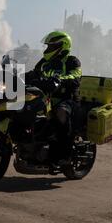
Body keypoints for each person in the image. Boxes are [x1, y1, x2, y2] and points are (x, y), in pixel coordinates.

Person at [26, 31, 82, 165]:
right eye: (48, 46)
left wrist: (60, 79)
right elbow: (33, 74)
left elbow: (75, 76)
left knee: (61, 113)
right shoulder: (44, 62)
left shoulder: (72, 61)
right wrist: (14, 76)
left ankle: (64, 155)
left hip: (67, 100)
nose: (48, 49)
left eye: (52, 46)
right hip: (47, 99)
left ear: (63, 46)